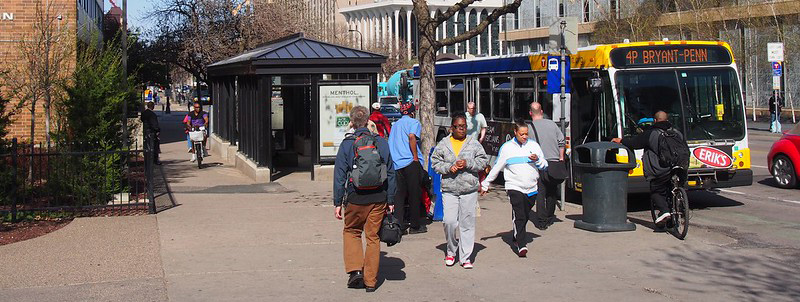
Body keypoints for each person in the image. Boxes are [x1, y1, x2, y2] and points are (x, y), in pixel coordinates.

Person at [333, 105, 396, 293]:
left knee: (351, 231)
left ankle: (355, 272)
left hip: (355, 197)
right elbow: (391, 172)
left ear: (351, 123)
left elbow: (339, 175)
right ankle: (370, 281)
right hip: (378, 198)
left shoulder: (347, 144)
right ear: (369, 121)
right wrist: (390, 199)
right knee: (373, 237)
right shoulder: (381, 142)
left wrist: (337, 202)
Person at [481, 120, 547, 257]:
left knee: (525, 214)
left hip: (531, 187)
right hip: (514, 186)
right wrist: (486, 183)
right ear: (515, 133)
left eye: (526, 134)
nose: (524, 137)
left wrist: (537, 160)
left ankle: (517, 234)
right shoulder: (507, 148)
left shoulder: (534, 146)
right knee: (520, 214)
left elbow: (544, 165)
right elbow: (497, 167)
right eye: (521, 134)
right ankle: (521, 245)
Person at [431, 113, 488, 269]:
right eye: (458, 127)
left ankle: (465, 257)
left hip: (468, 189)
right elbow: (435, 163)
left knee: (467, 223)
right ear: (452, 128)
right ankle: (451, 250)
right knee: (449, 222)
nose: (462, 129)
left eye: (464, 126)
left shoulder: (473, 143)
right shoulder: (443, 144)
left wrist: (468, 163)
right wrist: (449, 167)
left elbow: (483, 161)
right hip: (449, 189)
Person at [611, 111, 685, 226]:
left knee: (656, 191)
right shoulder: (677, 133)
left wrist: (621, 140)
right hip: (679, 167)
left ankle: (665, 212)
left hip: (661, 169)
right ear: (667, 119)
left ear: (655, 121)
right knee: (673, 188)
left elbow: (635, 143)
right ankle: (679, 207)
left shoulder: (651, 133)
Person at [388, 102, 426, 234]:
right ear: (412, 112)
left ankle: (400, 225)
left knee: (399, 195)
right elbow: (412, 137)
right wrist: (415, 157)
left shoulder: (395, 125)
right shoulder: (414, 123)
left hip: (396, 163)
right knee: (414, 194)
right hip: (410, 162)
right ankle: (415, 225)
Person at [528, 102, 566, 230]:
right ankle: (550, 217)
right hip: (554, 163)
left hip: (539, 163)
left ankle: (542, 221)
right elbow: (562, 141)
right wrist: (561, 158)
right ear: (542, 111)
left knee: (540, 192)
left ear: (530, 113)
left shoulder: (530, 128)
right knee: (552, 191)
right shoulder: (552, 124)